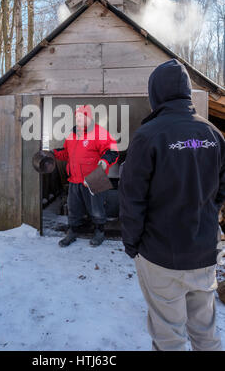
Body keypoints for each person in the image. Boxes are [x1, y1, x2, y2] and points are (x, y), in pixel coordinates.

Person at [119, 58, 224, 351]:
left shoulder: (147, 136)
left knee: (170, 337)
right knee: (206, 334)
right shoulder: (213, 135)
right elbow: (221, 190)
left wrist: (132, 243)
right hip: (203, 253)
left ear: (156, 95)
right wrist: (205, 214)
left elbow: (132, 198)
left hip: (160, 255)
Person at [53, 104, 118, 247]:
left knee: (97, 209)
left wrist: (105, 161)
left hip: (95, 177)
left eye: (81, 116)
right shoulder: (72, 134)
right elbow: (66, 153)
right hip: (75, 178)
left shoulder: (99, 133)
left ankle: (99, 232)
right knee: (73, 208)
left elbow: (113, 151)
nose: (78, 119)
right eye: (76, 117)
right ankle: (72, 231)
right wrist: (53, 154)